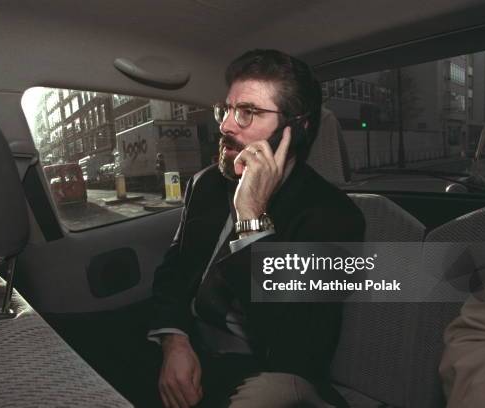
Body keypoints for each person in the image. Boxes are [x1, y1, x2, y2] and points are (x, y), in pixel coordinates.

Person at [148, 49, 365, 408]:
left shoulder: (335, 217)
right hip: (189, 344)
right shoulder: (206, 185)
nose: (226, 125)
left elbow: (294, 344)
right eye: (228, 109)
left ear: (297, 128)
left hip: (264, 370)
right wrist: (175, 340)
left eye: (248, 112)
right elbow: (175, 271)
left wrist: (251, 219)